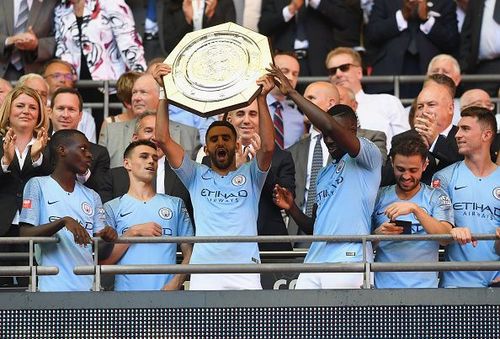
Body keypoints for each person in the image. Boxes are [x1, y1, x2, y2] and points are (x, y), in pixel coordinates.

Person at [153, 63, 275, 290]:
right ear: (206, 148)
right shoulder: (195, 175)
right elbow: (162, 139)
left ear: (236, 144)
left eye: (226, 138)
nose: (220, 142)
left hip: (245, 268)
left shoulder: (251, 175)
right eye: (214, 139)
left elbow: (267, 147)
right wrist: (163, 92)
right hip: (204, 269)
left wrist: (261, 97)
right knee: (204, 328)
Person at [270, 64, 382, 289]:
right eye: (324, 136)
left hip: (349, 256)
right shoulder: (324, 172)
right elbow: (316, 227)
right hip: (315, 258)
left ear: (352, 130)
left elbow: (330, 126)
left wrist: (291, 93)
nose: (328, 140)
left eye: (333, 135)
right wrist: (291, 208)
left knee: (340, 324)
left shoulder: (368, 154)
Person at [19, 129, 117, 292]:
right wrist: (63, 222)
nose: (90, 155)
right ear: (62, 150)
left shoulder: (92, 196)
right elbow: (25, 234)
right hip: (50, 288)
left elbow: (99, 248)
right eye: (83, 149)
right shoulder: (37, 185)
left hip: (87, 289)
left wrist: (107, 237)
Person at [101, 140, 193, 291]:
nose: (151, 161)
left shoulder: (175, 204)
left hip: (166, 297)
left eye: (155, 158)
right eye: (144, 156)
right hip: (125, 299)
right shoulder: (112, 207)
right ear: (127, 164)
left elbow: (190, 253)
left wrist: (176, 282)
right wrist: (133, 232)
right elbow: (104, 262)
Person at [372, 132, 453, 288]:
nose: (406, 176)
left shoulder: (436, 196)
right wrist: (377, 234)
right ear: (391, 162)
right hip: (383, 292)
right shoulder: (379, 196)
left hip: (425, 292)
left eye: (413, 170)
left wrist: (416, 210)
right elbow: (361, 243)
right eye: (400, 169)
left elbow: (446, 238)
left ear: (425, 165)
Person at [432, 107, 500, 287]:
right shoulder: (443, 178)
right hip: (455, 286)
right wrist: (450, 230)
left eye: (466, 129)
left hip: (496, 284)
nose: (457, 134)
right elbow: (439, 235)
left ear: (486, 135)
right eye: (458, 128)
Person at [226, 100, 296, 251]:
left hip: (269, 246)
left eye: (253, 114)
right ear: (229, 120)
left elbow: (286, 198)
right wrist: (233, 170)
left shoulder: (282, 157)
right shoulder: (214, 157)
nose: (246, 120)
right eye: (240, 114)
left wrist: (260, 164)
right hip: (227, 243)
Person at [100, 112, 193, 222]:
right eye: (148, 131)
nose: (155, 137)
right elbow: (105, 224)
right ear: (135, 138)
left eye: (160, 132)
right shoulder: (113, 177)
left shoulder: (184, 176)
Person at [0, 86, 48, 287]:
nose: (26, 111)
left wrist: (36, 158)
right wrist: (5, 161)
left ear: (39, 115)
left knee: (31, 285)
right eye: (20, 105)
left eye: (32, 107)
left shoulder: (49, 147)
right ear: (8, 110)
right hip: (2, 224)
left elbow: (52, 183)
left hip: (33, 226)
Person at [99, 74, 200, 168]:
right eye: (134, 92)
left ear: (161, 96)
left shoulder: (189, 134)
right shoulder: (111, 132)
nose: (136, 98)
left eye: (143, 92)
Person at [366, 0, 459, 97]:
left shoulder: (445, 3)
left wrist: (427, 19)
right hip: (389, 75)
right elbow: (372, 35)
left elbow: (452, 42)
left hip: (428, 74)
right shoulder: (385, 1)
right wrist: (402, 16)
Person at [326, 47, 409, 151]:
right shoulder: (326, 111)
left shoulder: (387, 102)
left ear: (359, 72)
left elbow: (406, 142)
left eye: (344, 67)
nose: (338, 74)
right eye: (332, 71)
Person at [48, 88, 110, 200]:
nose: (65, 115)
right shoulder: (39, 147)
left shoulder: (98, 153)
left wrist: (83, 170)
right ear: (50, 112)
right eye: (60, 108)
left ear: (80, 115)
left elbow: (100, 193)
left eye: (71, 109)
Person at [258, 0, 349, 76]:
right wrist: (291, 9)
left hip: (320, 60)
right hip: (285, 60)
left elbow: (343, 20)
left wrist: (316, 2)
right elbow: (263, 27)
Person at [0, 0, 59, 80]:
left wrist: (37, 45)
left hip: (35, 75)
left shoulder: (52, 3)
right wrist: (8, 41)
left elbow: (61, 39)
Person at [41, 59, 97, 143]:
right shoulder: (35, 111)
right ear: (44, 80)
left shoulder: (85, 118)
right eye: (56, 76)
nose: (63, 80)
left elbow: (90, 150)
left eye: (68, 76)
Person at [160, 0, 236, 55]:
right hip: (185, 60)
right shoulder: (171, 4)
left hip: (216, 58)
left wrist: (210, 16)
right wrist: (188, 22)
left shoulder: (224, 2)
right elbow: (169, 46)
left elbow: (229, 39)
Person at [460, 0, 500, 96]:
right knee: (482, 103)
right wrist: (464, 66)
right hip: (485, 65)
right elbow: (466, 34)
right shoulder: (476, 2)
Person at [266, 52, 305, 149]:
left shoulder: (299, 118)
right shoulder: (251, 111)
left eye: (295, 74)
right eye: (284, 71)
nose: (290, 78)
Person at [426, 54, 462, 125]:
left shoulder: (465, 110)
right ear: (427, 77)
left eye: (445, 72)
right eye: (435, 71)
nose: (439, 74)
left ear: (457, 79)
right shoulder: (409, 112)